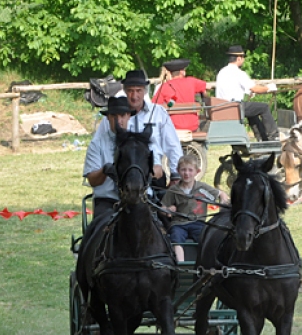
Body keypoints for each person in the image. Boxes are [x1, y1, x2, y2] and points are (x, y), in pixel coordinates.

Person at [82, 96, 164, 237]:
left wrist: (141, 172)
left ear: (128, 116)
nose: (118, 120)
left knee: (166, 228)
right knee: (94, 233)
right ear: (108, 118)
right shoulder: (97, 144)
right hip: (108, 202)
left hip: (142, 199)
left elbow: (159, 170)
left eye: (122, 115)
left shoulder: (142, 140)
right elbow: (92, 180)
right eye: (114, 116)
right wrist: (106, 170)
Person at [96, 69, 183, 176]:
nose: (134, 96)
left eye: (138, 90)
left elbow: (173, 146)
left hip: (154, 175)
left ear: (145, 91)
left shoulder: (158, 113)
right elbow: (98, 145)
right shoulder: (112, 116)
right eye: (130, 91)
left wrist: (176, 175)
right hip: (122, 176)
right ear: (124, 91)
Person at [161, 155, 228, 262]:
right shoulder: (174, 190)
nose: (186, 173)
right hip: (179, 223)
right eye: (183, 170)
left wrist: (223, 200)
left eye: (190, 170)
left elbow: (220, 193)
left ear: (197, 171)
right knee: (176, 237)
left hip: (198, 222)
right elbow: (162, 207)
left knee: (204, 237)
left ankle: (203, 262)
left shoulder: (202, 188)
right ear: (178, 171)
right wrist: (168, 210)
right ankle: (181, 264)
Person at [215, 45, 279, 141]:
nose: (243, 60)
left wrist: (249, 91)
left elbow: (232, 88)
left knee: (253, 111)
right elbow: (255, 89)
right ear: (239, 58)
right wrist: (269, 88)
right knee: (264, 107)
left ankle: (261, 137)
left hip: (223, 106)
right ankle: (274, 136)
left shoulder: (222, 72)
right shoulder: (239, 73)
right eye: (243, 58)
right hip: (235, 106)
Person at [152, 59, 208, 131]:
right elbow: (207, 86)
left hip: (173, 127)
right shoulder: (192, 81)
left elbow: (154, 105)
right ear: (182, 72)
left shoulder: (164, 86)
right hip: (192, 126)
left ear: (171, 73)